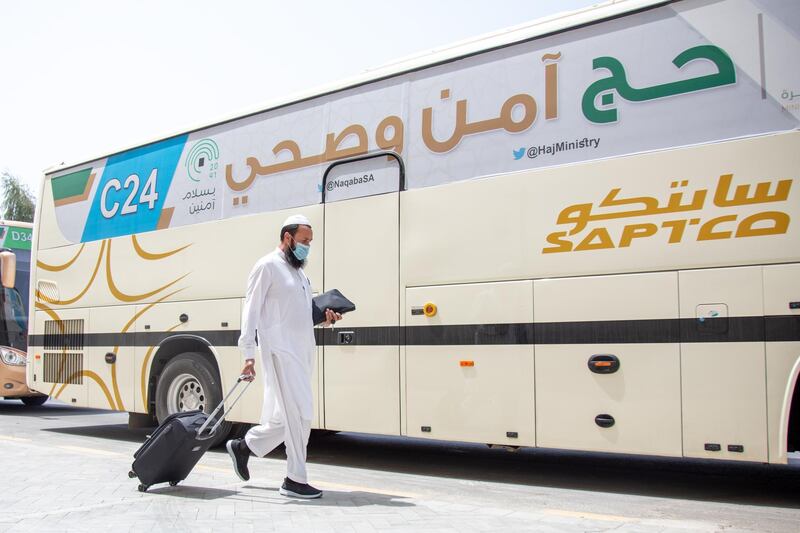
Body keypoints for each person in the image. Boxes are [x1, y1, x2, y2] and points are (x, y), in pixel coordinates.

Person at [226, 214, 341, 499]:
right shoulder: (267, 266)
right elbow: (250, 311)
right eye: (303, 241)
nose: (307, 248)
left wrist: (325, 318)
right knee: (300, 415)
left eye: (310, 243)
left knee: (283, 419)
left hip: (301, 354)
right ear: (287, 238)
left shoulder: (300, 274)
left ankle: (244, 447)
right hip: (280, 352)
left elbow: (298, 315)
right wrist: (248, 355)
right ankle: (294, 479)